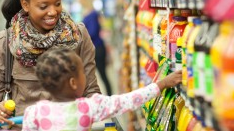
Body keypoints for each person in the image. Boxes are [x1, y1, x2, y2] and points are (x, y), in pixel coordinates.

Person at [0, 0, 101, 129]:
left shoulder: (78, 36)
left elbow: (92, 91)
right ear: (25, 4)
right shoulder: (5, 41)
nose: (53, 12)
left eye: (57, 3)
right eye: (43, 6)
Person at [22, 48, 182, 131]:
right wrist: (161, 84)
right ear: (73, 83)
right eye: (82, 73)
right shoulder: (88, 107)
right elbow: (129, 101)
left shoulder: (33, 112)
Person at [77, 0, 112, 95]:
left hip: (97, 48)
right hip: (95, 48)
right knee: (94, 75)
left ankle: (109, 97)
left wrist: (80, 36)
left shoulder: (92, 14)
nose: (79, 1)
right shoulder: (88, 13)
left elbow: (92, 32)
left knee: (102, 75)